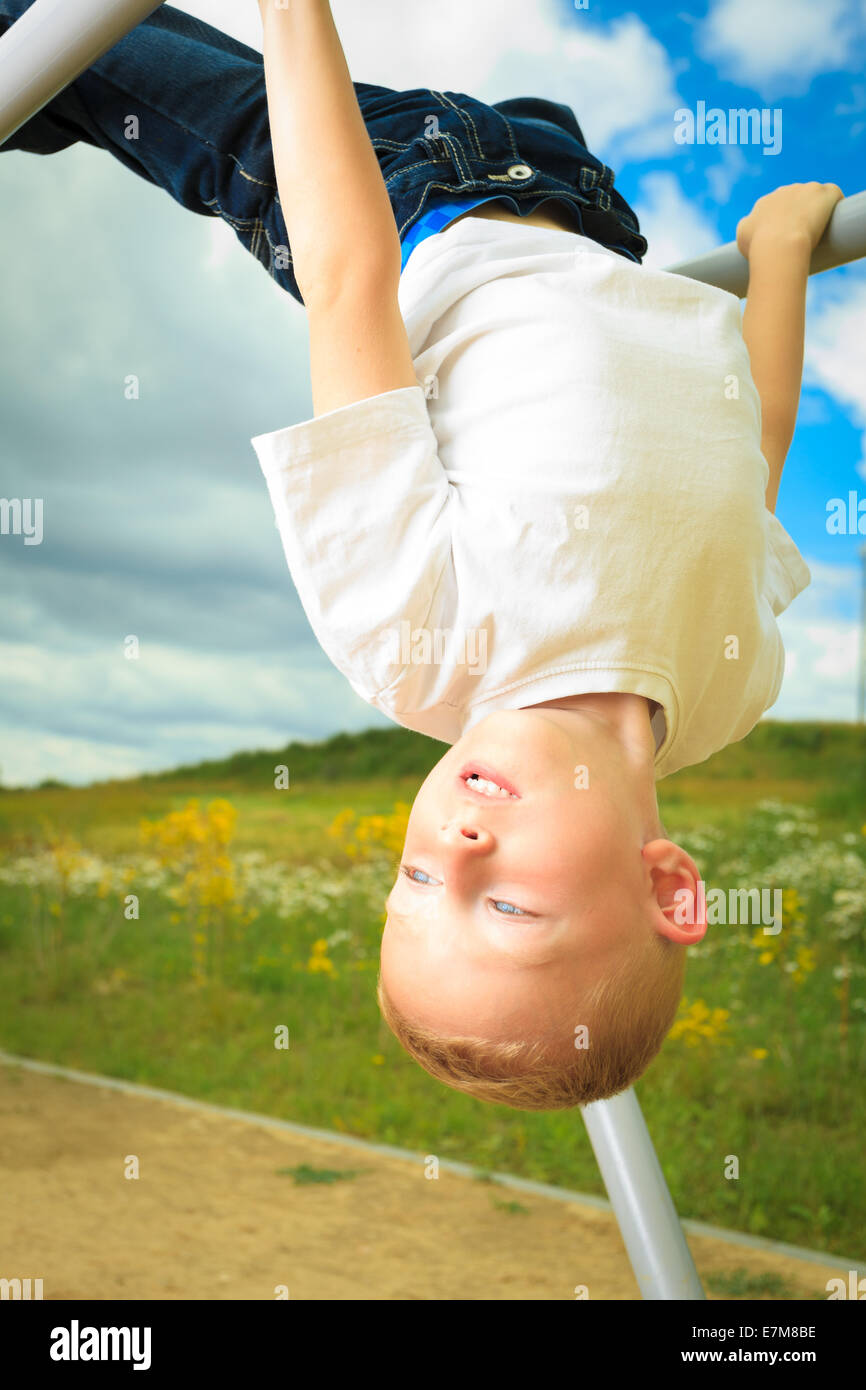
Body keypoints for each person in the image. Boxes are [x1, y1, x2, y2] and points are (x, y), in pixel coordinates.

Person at [1, 0, 842, 1109]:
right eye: (505, 907)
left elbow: (347, 282)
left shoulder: (412, 642)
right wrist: (775, 261)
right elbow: (753, 441)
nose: (457, 844)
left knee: (79, 49)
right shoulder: (733, 684)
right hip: (591, 211)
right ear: (671, 888)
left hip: (404, 191)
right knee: (542, 116)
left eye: (413, 880)